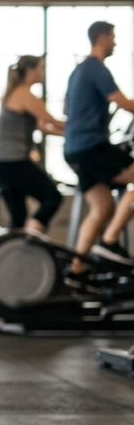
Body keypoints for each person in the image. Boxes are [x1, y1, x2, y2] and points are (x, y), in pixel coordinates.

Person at [63, 21, 134, 275]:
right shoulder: (96, 68)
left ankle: (77, 269)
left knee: (102, 208)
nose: (115, 42)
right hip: (92, 147)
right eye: (113, 37)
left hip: (74, 150)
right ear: (101, 37)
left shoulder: (79, 70)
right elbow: (122, 101)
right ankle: (109, 241)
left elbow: (66, 109)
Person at [0, 55, 66, 233]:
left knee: (18, 215)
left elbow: (43, 127)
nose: (43, 72)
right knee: (52, 197)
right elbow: (51, 121)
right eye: (41, 68)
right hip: (12, 161)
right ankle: (31, 240)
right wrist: (81, 128)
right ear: (30, 70)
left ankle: (13, 255)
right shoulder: (25, 94)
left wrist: (70, 134)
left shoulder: (16, 92)